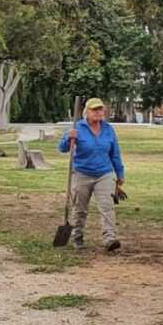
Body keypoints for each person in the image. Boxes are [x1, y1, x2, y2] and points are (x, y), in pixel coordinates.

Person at [59, 98, 127, 252]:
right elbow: (62, 149)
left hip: (105, 173)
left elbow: (115, 153)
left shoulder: (108, 129)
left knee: (107, 207)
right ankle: (77, 237)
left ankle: (109, 239)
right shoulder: (78, 127)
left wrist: (120, 173)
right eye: (94, 110)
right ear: (86, 113)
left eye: (100, 109)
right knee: (80, 209)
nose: (98, 112)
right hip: (81, 173)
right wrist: (68, 137)